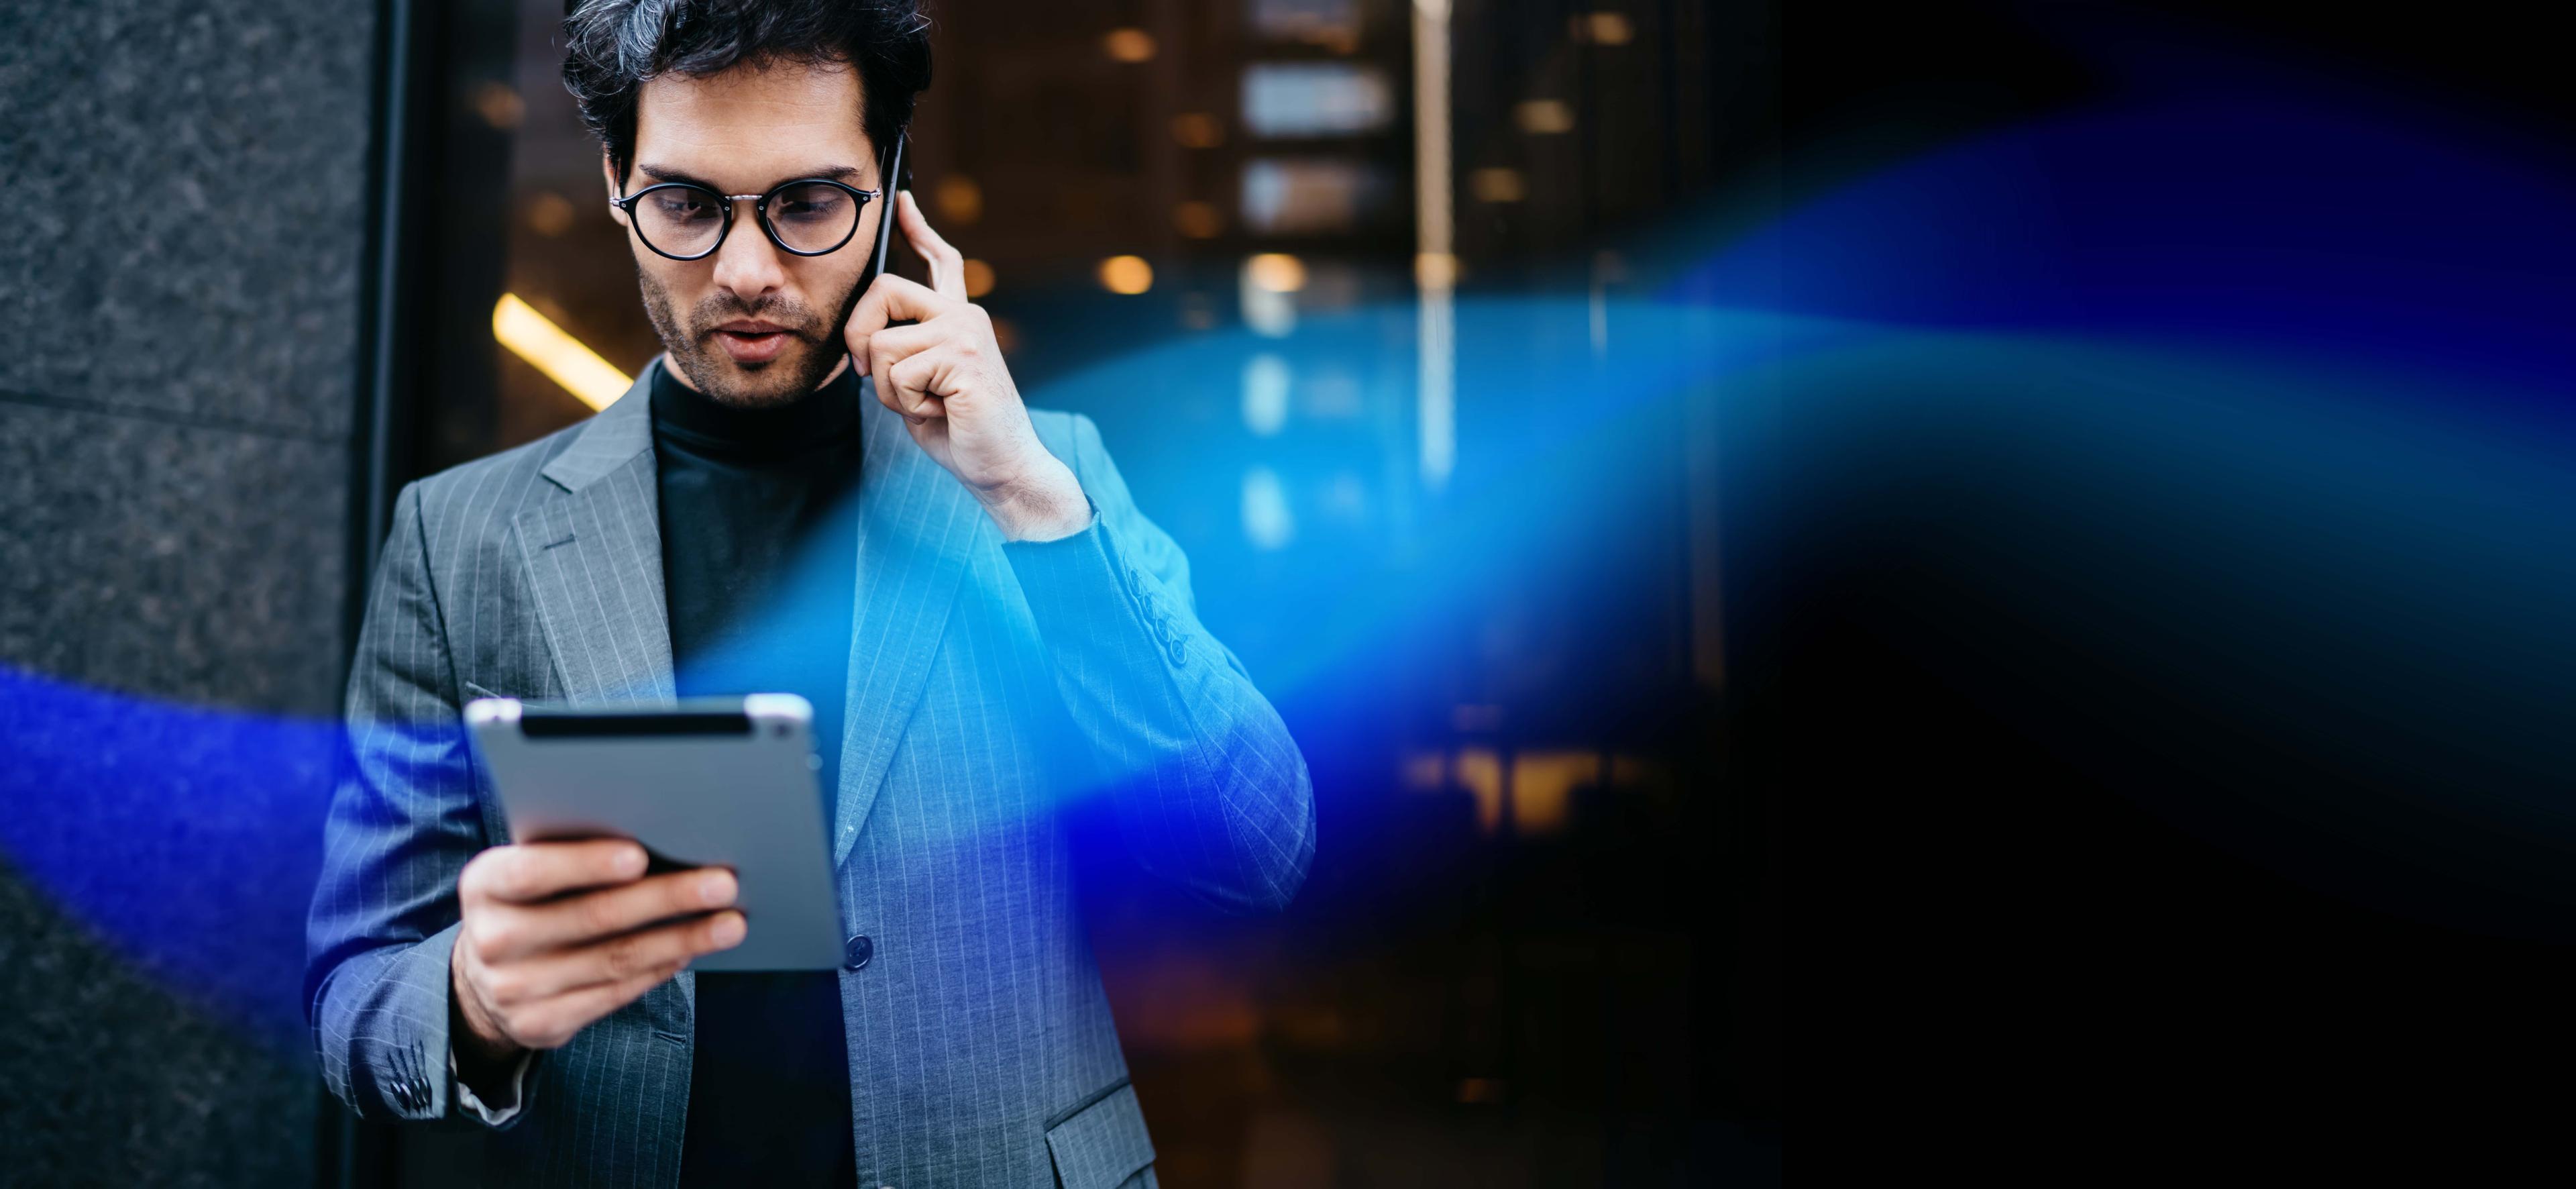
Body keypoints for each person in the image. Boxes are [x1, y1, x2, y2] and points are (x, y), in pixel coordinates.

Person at [304, 3, 1315, 1184]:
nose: (745, 271)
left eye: (806, 204)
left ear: (888, 188)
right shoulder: (459, 535)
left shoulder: (1052, 479)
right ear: (616, 180)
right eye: (685, 204)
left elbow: (1256, 849)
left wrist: (1029, 503)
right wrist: (473, 994)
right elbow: (352, 1000)